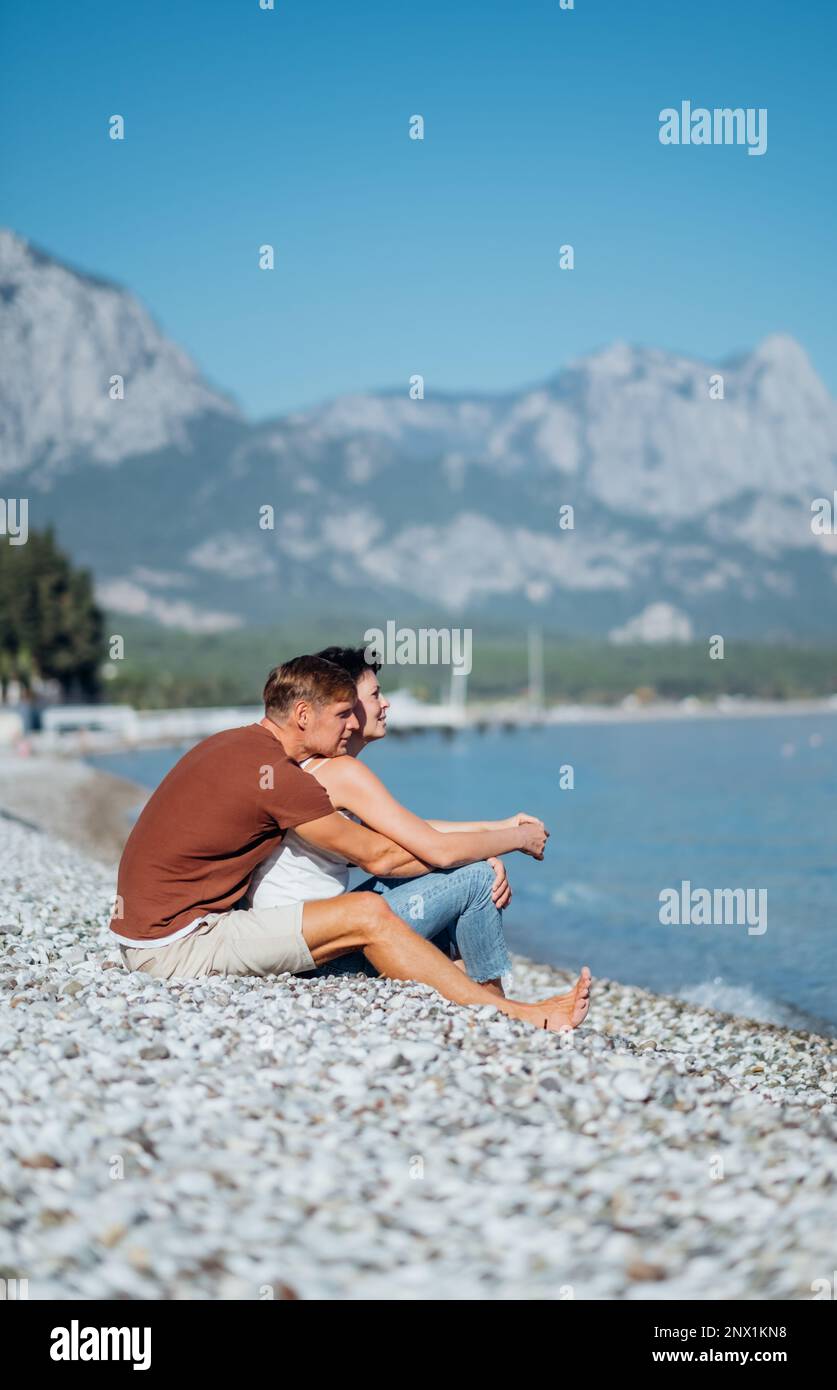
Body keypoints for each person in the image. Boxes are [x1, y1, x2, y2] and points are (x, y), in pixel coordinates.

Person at [113, 654, 591, 1031]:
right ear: (303, 714)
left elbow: (395, 837)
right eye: (342, 714)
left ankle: (482, 996)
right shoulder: (278, 778)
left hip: (157, 932)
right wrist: (505, 842)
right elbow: (380, 855)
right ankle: (510, 1014)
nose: (350, 724)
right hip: (176, 947)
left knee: (419, 893)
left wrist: (483, 841)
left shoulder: (236, 746)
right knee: (368, 914)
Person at [248, 646, 589, 1009]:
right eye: (375, 694)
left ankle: (463, 985)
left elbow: (406, 830)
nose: (386, 704)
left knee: (458, 874)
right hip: (317, 957)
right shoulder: (340, 773)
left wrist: (493, 827)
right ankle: (494, 1003)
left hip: (300, 943)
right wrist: (516, 839)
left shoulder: (315, 768)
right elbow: (428, 849)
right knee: (476, 878)